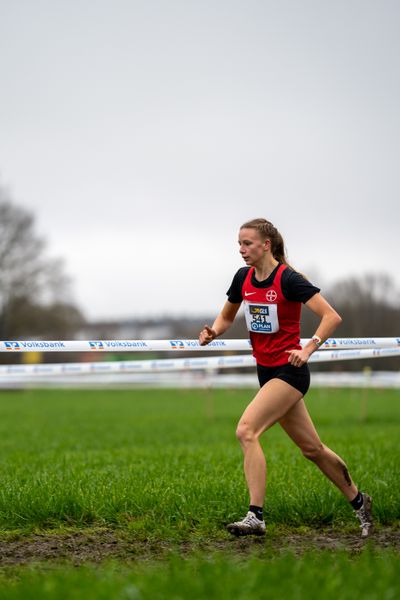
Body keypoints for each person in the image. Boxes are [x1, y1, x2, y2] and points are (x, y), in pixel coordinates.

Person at [199, 218, 373, 538]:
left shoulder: (289, 279)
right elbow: (226, 316)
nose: (241, 249)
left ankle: (256, 516)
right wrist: (213, 331)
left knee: (246, 430)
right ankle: (361, 502)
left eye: (247, 243)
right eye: (239, 243)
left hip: (290, 372)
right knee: (313, 449)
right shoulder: (243, 278)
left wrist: (308, 349)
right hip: (266, 373)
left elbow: (331, 316)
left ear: (266, 244)